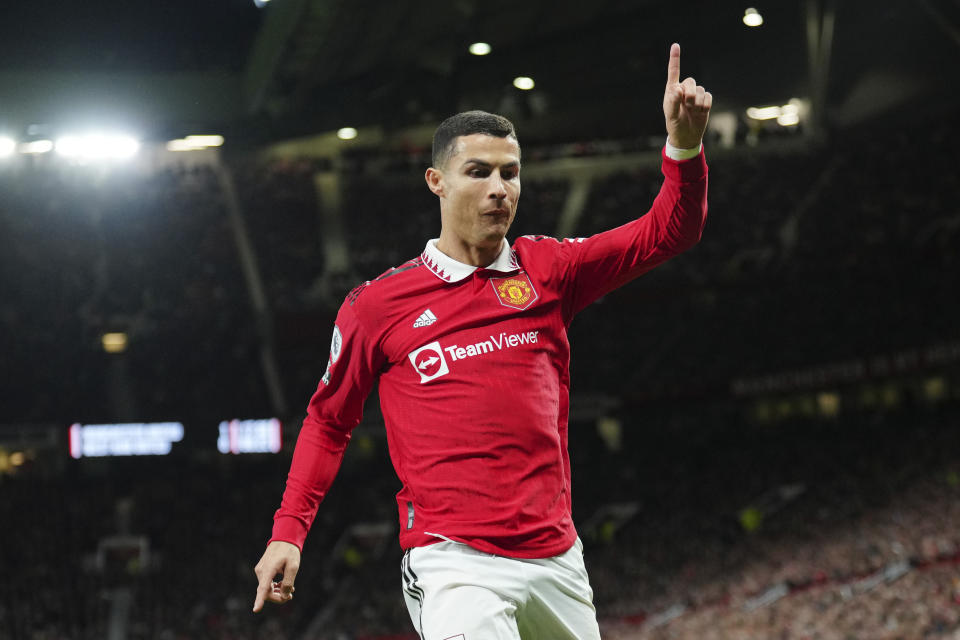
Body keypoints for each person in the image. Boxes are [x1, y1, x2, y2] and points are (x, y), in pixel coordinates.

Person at [253, 42, 712, 638]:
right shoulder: (376, 307)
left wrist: (684, 145)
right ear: (437, 181)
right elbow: (328, 422)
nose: (500, 187)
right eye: (479, 172)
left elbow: (669, 232)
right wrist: (289, 530)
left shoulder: (549, 270)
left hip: (557, 559)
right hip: (455, 564)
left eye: (511, 173)